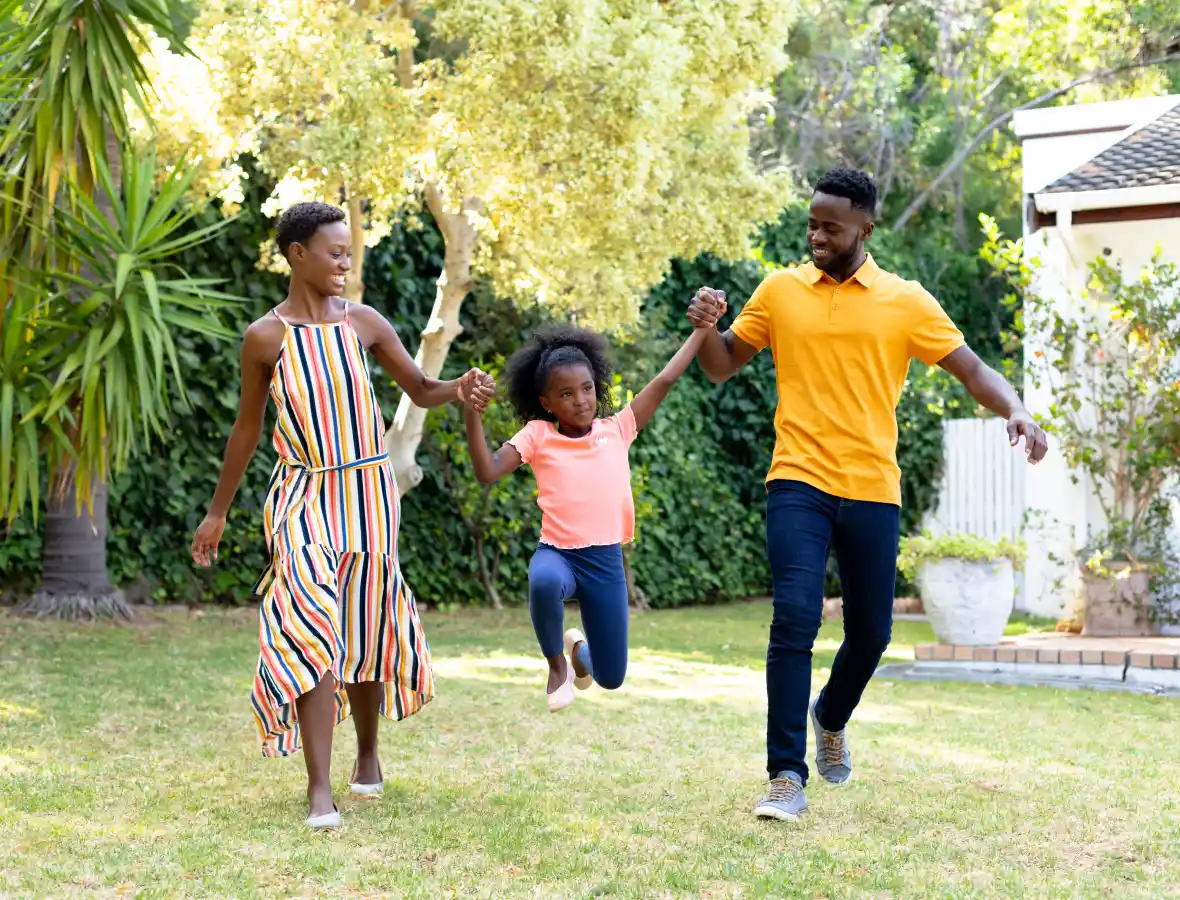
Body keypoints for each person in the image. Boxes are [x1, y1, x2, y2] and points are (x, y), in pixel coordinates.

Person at [687, 167, 1048, 822]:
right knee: (794, 616)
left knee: (873, 632)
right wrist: (706, 326)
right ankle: (785, 776)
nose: (817, 235)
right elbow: (719, 364)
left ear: (864, 227)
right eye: (811, 223)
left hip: (872, 486)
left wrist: (1015, 408)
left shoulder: (905, 300)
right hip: (796, 479)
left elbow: (969, 367)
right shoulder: (779, 290)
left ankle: (831, 713)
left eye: (830, 225)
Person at [190, 201, 494, 830]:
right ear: (297, 254)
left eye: (348, 253)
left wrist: (458, 389)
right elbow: (247, 429)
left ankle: (369, 755)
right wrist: (217, 512)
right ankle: (319, 787)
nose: (343, 262)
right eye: (334, 252)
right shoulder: (265, 337)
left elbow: (420, 390)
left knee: (364, 619)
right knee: (309, 619)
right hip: (301, 495)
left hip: (368, 494)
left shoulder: (364, 322)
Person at [463, 323, 717, 711]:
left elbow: (666, 379)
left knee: (611, 678)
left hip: (605, 563)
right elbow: (487, 471)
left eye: (587, 389)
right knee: (543, 581)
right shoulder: (538, 434)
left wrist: (702, 331)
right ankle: (557, 666)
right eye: (566, 394)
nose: (581, 400)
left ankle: (580, 653)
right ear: (547, 402)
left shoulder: (617, 428)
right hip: (559, 554)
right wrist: (472, 414)